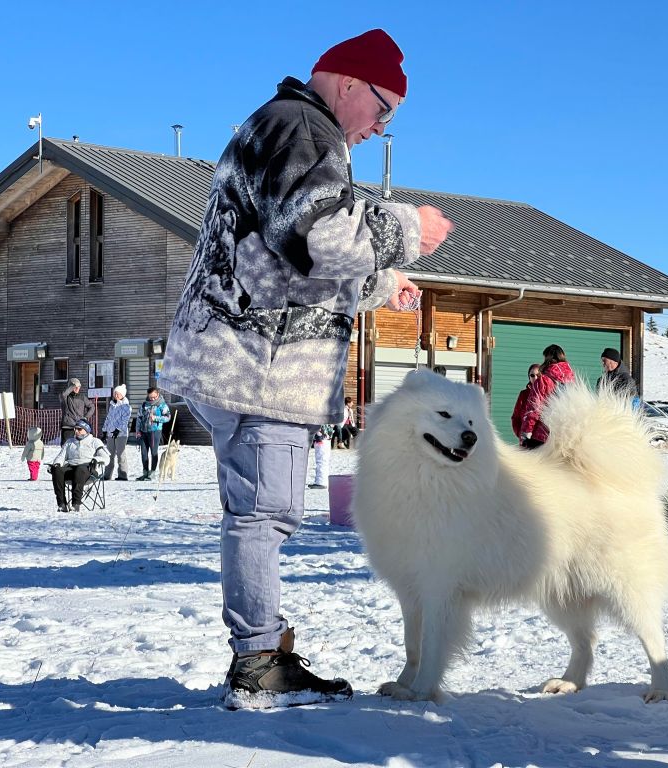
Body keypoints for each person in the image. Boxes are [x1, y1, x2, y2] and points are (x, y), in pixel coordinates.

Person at [156, 28, 454, 706]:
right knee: (265, 513)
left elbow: (284, 251)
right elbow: (318, 233)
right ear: (347, 83)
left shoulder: (288, 128)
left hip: (240, 353)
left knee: (261, 511)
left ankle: (262, 651)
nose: (381, 128)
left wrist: (382, 282)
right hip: (259, 364)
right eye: (383, 109)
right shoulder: (304, 128)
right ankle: (259, 664)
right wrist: (411, 229)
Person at [519, 344, 576, 448]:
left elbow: (534, 409)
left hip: (542, 437)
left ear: (548, 358)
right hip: (565, 437)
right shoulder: (572, 380)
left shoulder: (543, 380)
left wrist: (525, 434)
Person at [49, 419, 110, 513]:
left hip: (88, 469)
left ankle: (75, 504)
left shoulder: (95, 441)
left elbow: (106, 457)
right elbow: (61, 456)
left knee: (80, 469)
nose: (76, 431)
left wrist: (96, 459)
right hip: (71, 467)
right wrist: (56, 464)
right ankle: (62, 504)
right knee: (57, 470)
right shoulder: (70, 442)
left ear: (87, 430)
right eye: (75, 429)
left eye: (79, 429)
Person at [135, 387, 171, 481]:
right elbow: (139, 417)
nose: (152, 399)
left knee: (153, 452)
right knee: (143, 452)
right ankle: (145, 472)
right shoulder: (144, 405)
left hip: (155, 431)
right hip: (143, 431)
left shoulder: (162, 405)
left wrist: (156, 418)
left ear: (157, 395)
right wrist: (138, 430)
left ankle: (153, 472)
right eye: (150, 397)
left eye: (154, 397)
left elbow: (168, 417)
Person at [101, 384, 132, 481]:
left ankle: (123, 474)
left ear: (122, 394)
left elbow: (125, 421)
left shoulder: (126, 406)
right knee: (109, 454)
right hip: (111, 433)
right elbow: (108, 419)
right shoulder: (112, 406)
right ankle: (107, 474)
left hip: (121, 434)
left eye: (118, 393)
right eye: (115, 393)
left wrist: (118, 430)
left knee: (120, 454)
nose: (116, 395)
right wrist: (105, 430)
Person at [59, 378, 95, 446]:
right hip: (68, 426)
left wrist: (86, 417)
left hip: (80, 426)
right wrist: (73, 385)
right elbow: (64, 394)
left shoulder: (82, 397)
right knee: (66, 446)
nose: (77, 388)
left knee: (80, 447)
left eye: (78, 387)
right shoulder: (65, 397)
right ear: (70, 387)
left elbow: (92, 407)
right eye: (75, 387)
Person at [511, 364, 541, 439]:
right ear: (529, 377)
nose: (535, 378)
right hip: (526, 442)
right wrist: (520, 434)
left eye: (538, 375)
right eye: (532, 375)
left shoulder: (548, 394)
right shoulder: (523, 394)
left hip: (542, 442)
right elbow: (515, 417)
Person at [309, 424, 335, 489]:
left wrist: (318, 437)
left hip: (321, 437)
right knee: (324, 459)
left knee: (321, 460)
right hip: (326, 437)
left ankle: (321, 481)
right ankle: (323, 480)